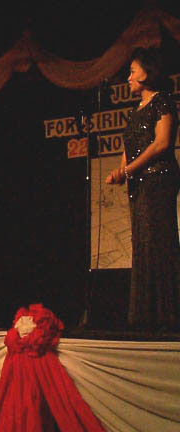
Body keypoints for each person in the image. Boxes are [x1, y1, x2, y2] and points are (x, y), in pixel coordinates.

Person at [106, 47, 180, 331]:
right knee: (142, 244)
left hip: (158, 179)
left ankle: (166, 316)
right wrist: (120, 171)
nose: (128, 77)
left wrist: (128, 170)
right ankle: (145, 316)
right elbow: (130, 147)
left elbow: (161, 143)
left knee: (158, 243)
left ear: (148, 73)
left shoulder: (163, 101)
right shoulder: (135, 110)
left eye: (132, 71)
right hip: (139, 183)